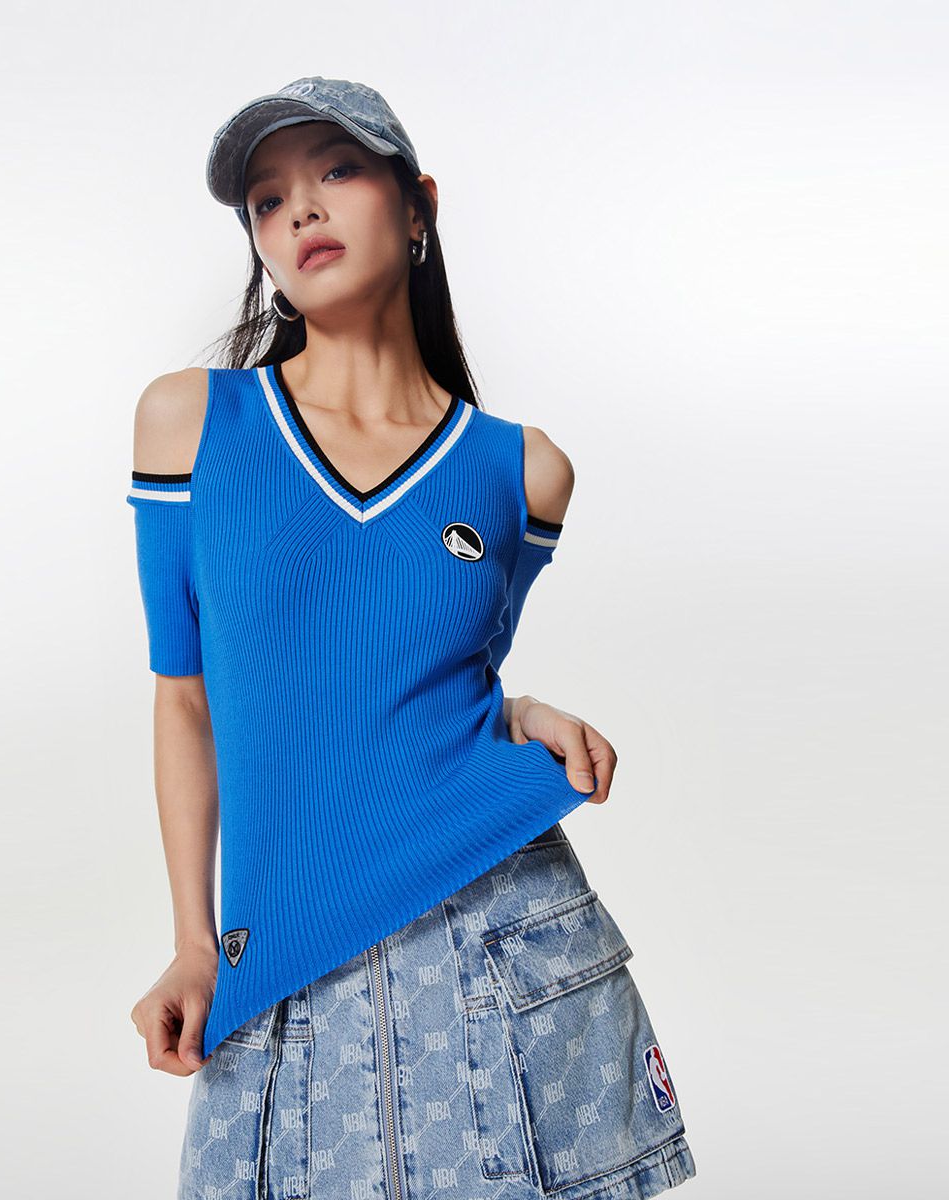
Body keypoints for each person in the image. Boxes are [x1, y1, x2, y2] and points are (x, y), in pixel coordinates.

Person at [127, 77, 697, 1200]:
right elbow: (185, 696)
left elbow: (435, 675)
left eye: (337, 170)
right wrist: (195, 942)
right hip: (286, 961)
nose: (301, 208)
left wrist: (516, 712)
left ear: (418, 205)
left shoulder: (522, 470)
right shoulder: (194, 424)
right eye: (268, 199)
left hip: (500, 934)